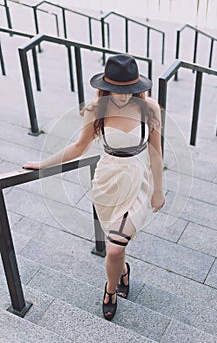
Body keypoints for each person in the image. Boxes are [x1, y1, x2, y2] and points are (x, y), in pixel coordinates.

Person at [23, 54, 165, 321]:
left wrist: (159, 189)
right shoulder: (96, 110)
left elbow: (156, 152)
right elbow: (78, 148)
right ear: (105, 86)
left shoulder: (150, 109)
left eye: (129, 90)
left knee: (113, 247)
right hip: (107, 181)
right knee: (117, 248)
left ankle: (110, 290)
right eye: (117, 90)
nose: (123, 96)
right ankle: (122, 272)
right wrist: (43, 165)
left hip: (138, 182)